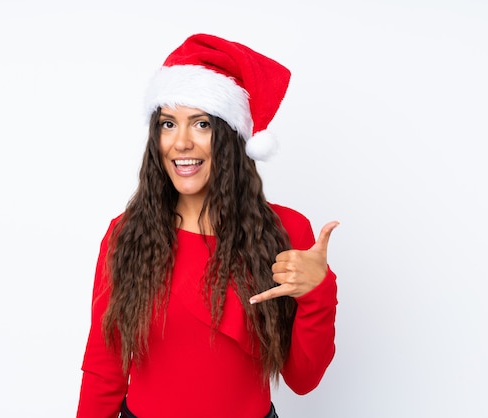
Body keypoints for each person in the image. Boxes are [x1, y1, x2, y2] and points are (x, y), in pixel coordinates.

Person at [76, 33, 339, 418]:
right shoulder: (126, 234)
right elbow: (104, 368)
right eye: (168, 124)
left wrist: (318, 290)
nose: (180, 142)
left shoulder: (286, 232)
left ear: (232, 136)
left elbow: (303, 378)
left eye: (200, 123)